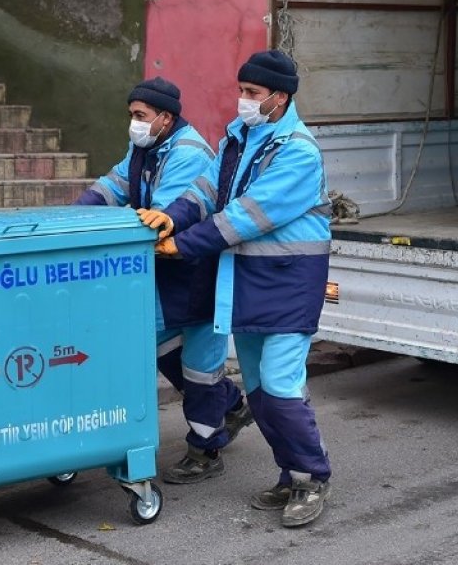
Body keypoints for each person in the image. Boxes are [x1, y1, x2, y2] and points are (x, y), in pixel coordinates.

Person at [137, 50, 333, 527]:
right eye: (241, 90)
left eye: (252, 93)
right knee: (262, 392)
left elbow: (247, 214)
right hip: (247, 282)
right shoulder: (239, 137)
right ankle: (289, 474)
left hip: (289, 283)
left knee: (283, 389)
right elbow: (206, 191)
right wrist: (172, 216)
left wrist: (182, 246)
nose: (242, 100)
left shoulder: (298, 152)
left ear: (279, 98)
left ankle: (311, 477)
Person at [74, 77, 253, 484]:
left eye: (140, 116)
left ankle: (206, 449)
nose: (133, 124)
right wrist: (73, 216)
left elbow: (160, 217)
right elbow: (115, 185)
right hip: (169, 272)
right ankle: (231, 404)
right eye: (132, 115)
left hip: (196, 271)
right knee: (159, 345)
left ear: (165, 118)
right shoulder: (147, 146)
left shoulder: (187, 154)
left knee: (200, 367)